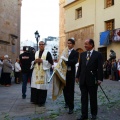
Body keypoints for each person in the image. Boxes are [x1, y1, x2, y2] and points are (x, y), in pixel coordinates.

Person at [76, 39, 103, 120]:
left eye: (86, 44)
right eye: (85, 44)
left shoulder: (98, 54)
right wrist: (77, 76)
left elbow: (100, 68)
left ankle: (93, 114)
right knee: (83, 99)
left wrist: (99, 79)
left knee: (93, 98)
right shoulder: (83, 54)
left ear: (91, 45)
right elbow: (80, 66)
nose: (85, 45)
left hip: (93, 80)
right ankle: (84, 115)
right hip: (83, 80)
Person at [31, 41, 53, 107]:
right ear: (38, 45)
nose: (41, 45)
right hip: (36, 72)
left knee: (42, 87)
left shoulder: (47, 53)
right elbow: (31, 61)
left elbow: (50, 62)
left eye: (42, 44)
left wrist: (42, 61)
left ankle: (41, 101)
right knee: (35, 86)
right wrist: (35, 61)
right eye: (40, 44)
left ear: (44, 45)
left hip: (43, 72)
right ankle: (35, 100)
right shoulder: (36, 53)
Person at [62, 38, 78, 114]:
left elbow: (75, 61)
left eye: (70, 43)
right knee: (64, 89)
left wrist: (67, 61)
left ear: (73, 44)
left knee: (70, 90)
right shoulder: (64, 51)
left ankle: (71, 107)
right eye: (68, 43)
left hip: (71, 73)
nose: (69, 45)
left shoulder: (75, 52)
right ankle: (66, 102)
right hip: (64, 73)